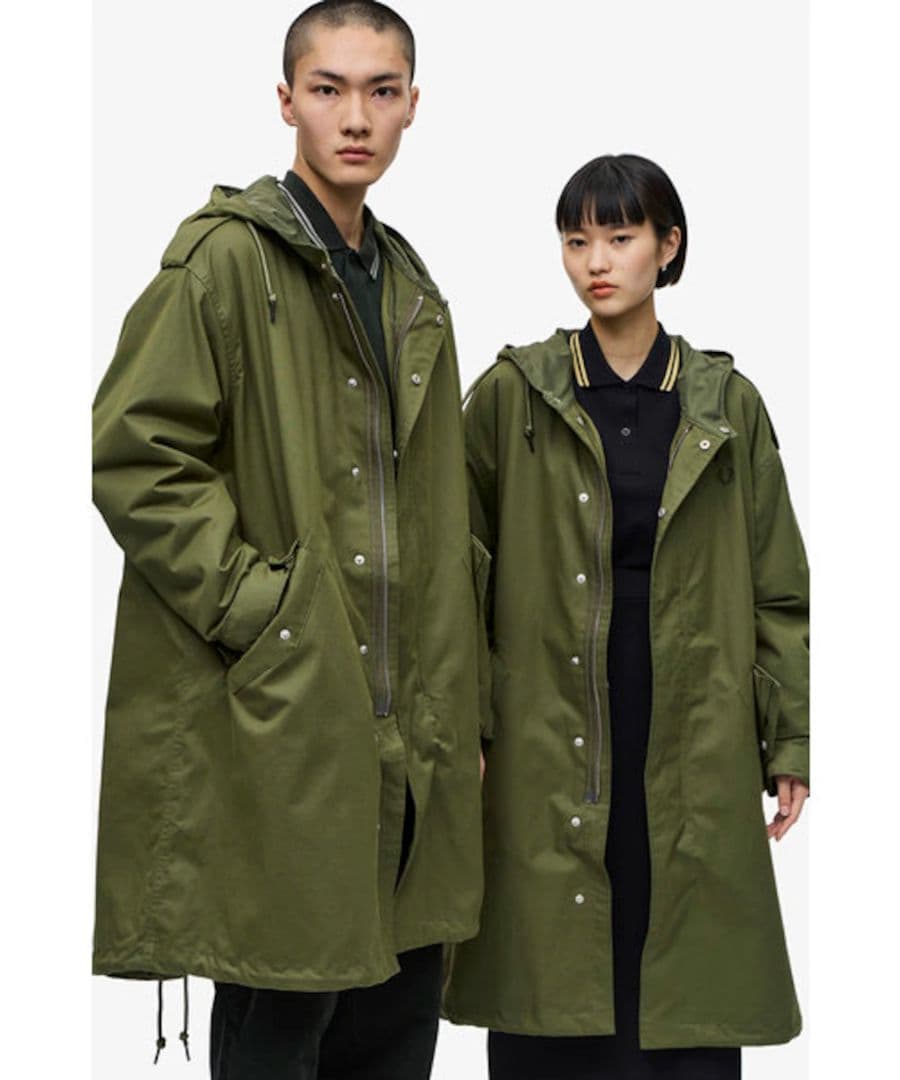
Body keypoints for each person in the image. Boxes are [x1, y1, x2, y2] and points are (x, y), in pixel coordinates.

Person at [92, 3, 484, 1077]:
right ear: (286, 101)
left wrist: (468, 707)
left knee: (397, 1031)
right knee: (280, 1022)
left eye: (381, 91)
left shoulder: (414, 291)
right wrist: (263, 612)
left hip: (412, 750)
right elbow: (136, 453)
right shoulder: (225, 262)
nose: (355, 117)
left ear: (412, 106)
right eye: (328, 89)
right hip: (289, 729)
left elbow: (443, 517)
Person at [443, 154, 809, 1079]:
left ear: (667, 246)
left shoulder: (726, 403)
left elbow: (778, 585)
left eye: (620, 236)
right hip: (546, 720)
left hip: (691, 717)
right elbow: (455, 572)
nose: (597, 261)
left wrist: (789, 740)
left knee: (682, 959)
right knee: (551, 966)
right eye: (577, 241)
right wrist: (470, 723)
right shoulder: (514, 395)